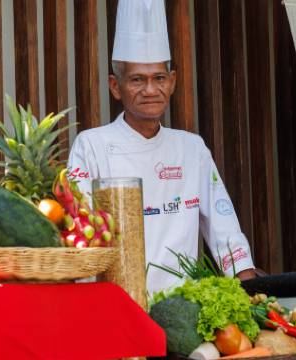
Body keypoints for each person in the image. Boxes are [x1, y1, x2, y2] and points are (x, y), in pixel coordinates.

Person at [67, 0, 261, 295]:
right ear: (115, 87)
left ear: (172, 82)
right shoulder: (92, 145)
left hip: (183, 308)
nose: (150, 90)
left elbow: (225, 230)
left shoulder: (191, 149)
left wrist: (253, 295)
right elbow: (81, 234)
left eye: (159, 78)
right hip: (116, 304)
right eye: (137, 80)